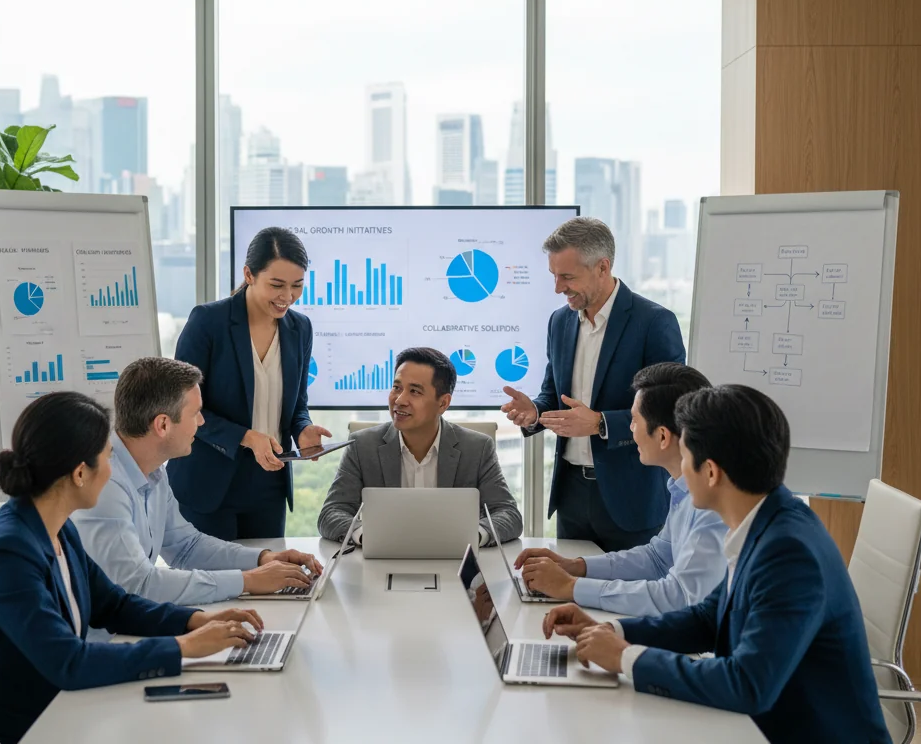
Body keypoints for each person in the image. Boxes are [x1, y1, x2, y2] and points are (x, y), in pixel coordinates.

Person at [542, 385, 912, 744]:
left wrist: (628, 660)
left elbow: (748, 684)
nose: (680, 471)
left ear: (711, 471)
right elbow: (706, 616)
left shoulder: (787, 551)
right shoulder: (768, 518)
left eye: (687, 455)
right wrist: (618, 634)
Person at [0, 392, 263, 744]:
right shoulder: (9, 551)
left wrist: (196, 619)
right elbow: (67, 662)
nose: (114, 469)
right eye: (107, 457)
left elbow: (114, 604)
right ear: (80, 473)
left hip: (44, 730)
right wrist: (184, 647)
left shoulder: (54, 527)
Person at [74, 357, 323, 606]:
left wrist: (265, 559)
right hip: (105, 639)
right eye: (195, 414)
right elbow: (138, 585)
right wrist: (248, 581)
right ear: (162, 424)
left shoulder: (154, 473)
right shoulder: (105, 484)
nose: (202, 422)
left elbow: (186, 547)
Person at [501, 216, 685, 550]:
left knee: (628, 600)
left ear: (603, 267)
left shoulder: (654, 322)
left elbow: (672, 408)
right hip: (571, 495)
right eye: (554, 276)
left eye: (568, 277)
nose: (558, 288)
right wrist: (534, 413)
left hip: (630, 499)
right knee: (568, 593)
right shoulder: (559, 322)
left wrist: (601, 423)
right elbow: (553, 396)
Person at [514, 362, 727, 616]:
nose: (629, 429)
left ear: (662, 436)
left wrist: (572, 587)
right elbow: (657, 558)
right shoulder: (683, 487)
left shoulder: (711, 502)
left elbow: (679, 597)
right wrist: (575, 567)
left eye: (634, 421)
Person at [168, 227, 332, 541]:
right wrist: (246, 437)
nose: (287, 296)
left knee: (268, 582)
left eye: (297, 286)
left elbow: (296, 405)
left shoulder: (300, 329)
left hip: (268, 485)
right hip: (209, 483)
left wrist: (303, 429)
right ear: (249, 274)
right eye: (277, 285)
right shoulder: (208, 322)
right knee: (215, 587)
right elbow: (180, 407)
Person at [318, 346, 522, 545]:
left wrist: (472, 537)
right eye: (397, 387)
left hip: (454, 563)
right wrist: (366, 536)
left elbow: (508, 514)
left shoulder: (477, 448)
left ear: (443, 403)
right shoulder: (362, 446)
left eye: (414, 391)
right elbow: (331, 513)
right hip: (380, 562)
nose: (399, 400)